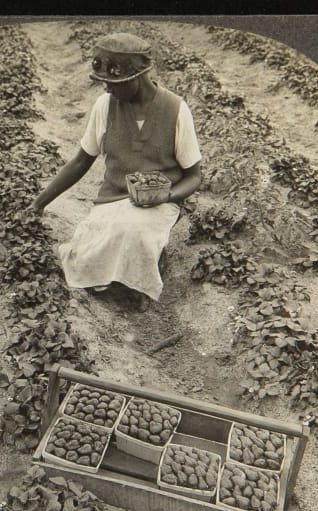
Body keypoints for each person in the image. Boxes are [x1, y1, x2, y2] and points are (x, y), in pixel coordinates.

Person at [30, 32, 202, 309]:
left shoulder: (176, 110)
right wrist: (39, 204)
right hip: (112, 198)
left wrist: (165, 196)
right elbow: (80, 161)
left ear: (136, 77)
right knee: (87, 246)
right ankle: (119, 277)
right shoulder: (105, 106)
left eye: (113, 83)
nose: (107, 89)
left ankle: (136, 285)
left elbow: (194, 176)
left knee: (133, 230)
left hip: (157, 204)